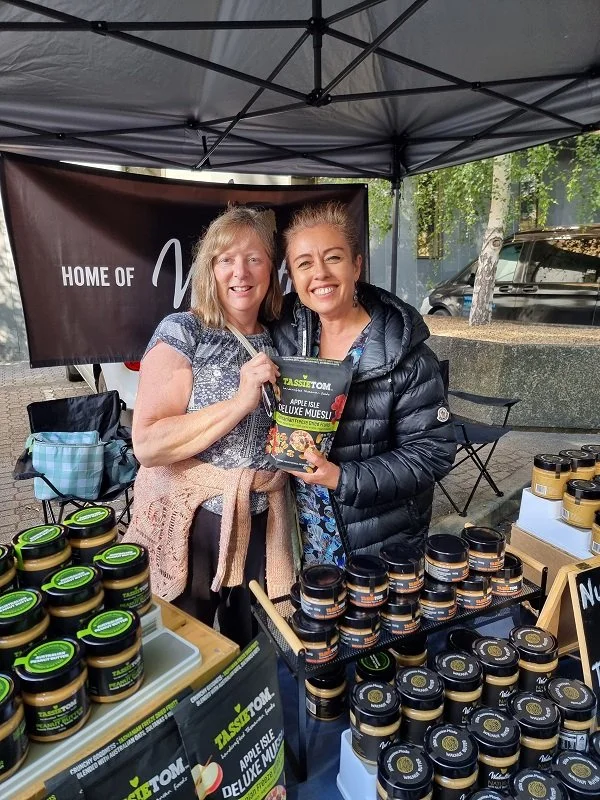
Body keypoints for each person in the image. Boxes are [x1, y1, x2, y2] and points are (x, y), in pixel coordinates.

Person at [124, 206, 295, 647]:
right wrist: (240, 401)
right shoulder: (184, 331)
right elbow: (147, 444)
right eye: (226, 259)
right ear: (210, 269)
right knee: (187, 644)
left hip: (261, 520)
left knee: (256, 646)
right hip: (194, 525)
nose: (241, 271)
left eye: (254, 258)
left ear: (270, 270)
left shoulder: (282, 337)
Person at [270, 201, 456, 567]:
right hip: (301, 540)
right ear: (292, 276)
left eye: (333, 258)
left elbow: (432, 452)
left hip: (375, 543)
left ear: (356, 265)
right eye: (304, 263)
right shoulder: (285, 338)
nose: (320, 273)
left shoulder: (407, 356)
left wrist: (342, 478)